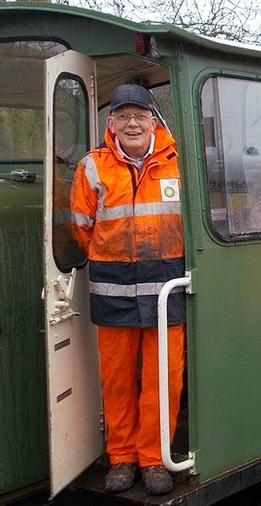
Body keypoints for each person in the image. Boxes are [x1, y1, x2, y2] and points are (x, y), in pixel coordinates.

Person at [70, 84, 185, 496]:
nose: (132, 123)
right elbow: (80, 230)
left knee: (163, 380)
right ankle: (121, 457)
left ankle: (154, 459)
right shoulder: (92, 168)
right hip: (112, 293)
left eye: (140, 115)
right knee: (117, 381)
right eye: (124, 116)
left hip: (166, 294)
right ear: (111, 124)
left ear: (154, 121)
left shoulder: (180, 165)